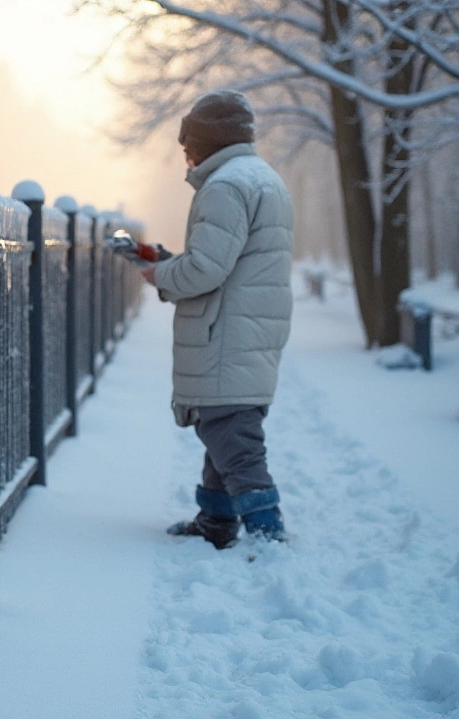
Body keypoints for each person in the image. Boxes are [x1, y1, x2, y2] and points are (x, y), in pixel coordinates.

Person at [137, 90, 295, 549]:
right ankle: (216, 523)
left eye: (188, 145)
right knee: (223, 433)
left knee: (234, 442)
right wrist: (172, 262)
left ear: (209, 142)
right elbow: (228, 258)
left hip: (226, 335)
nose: (184, 154)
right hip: (246, 331)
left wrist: (159, 272)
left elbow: (207, 269)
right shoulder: (262, 178)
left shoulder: (225, 186)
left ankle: (268, 537)